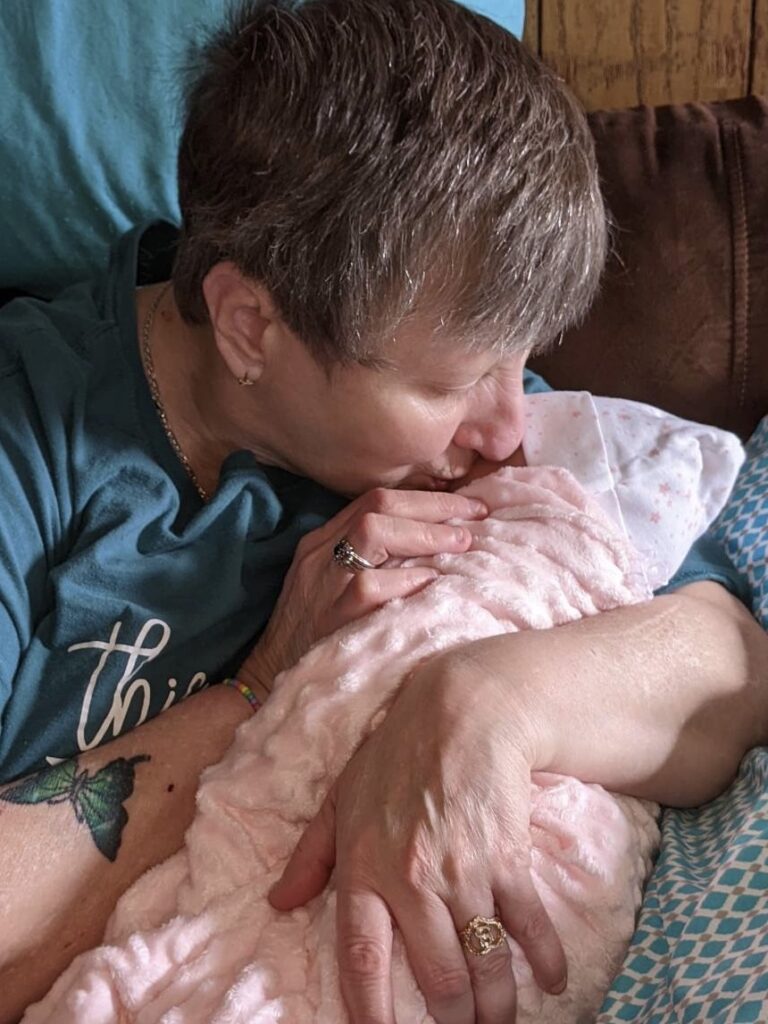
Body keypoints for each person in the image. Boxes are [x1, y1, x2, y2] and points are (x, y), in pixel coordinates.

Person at [0, 1, 765, 1022]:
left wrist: (487, 701)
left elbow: (731, 664)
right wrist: (258, 685)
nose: (507, 423)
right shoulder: (32, 452)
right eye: (460, 380)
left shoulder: (453, 412)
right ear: (249, 326)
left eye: (520, 358)